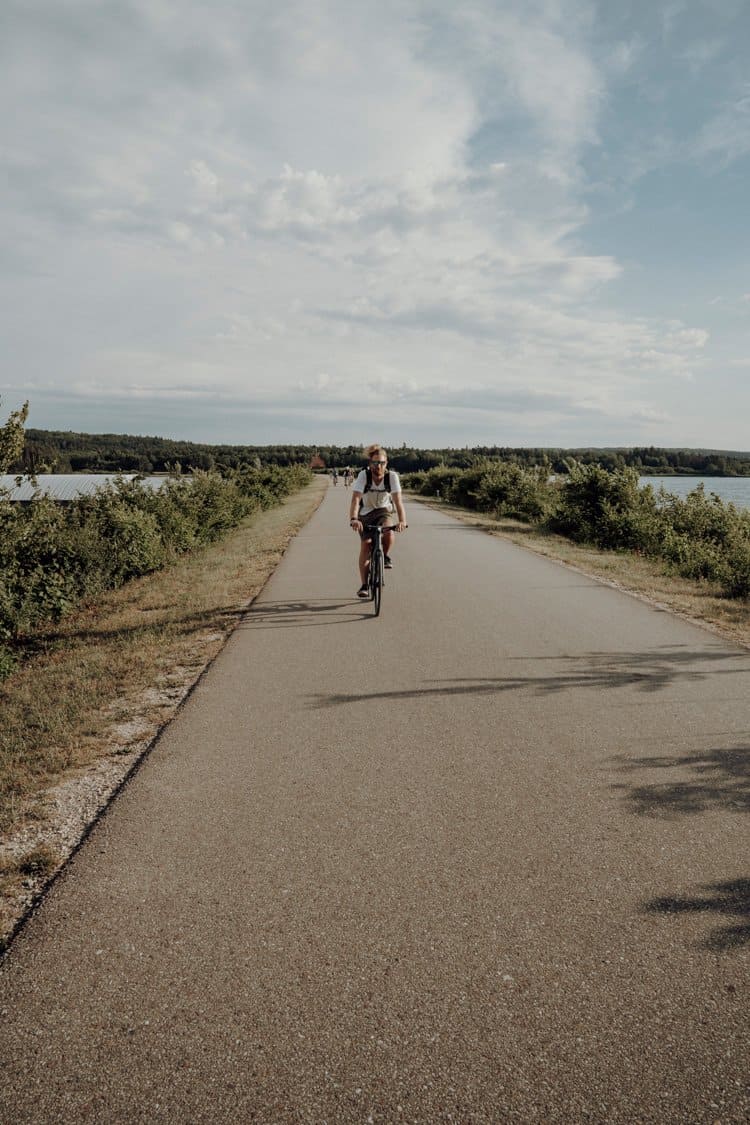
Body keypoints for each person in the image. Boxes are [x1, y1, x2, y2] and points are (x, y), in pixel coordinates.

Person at [349, 444, 406, 598]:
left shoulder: (391, 477)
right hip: (365, 513)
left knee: (388, 531)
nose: (378, 466)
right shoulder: (363, 476)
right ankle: (364, 585)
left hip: (384, 511)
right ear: (370, 464)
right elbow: (355, 499)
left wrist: (402, 521)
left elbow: (398, 501)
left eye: (381, 463)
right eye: (375, 463)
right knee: (366, 545)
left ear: (386, 463)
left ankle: (385, 555)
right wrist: (354, 519)